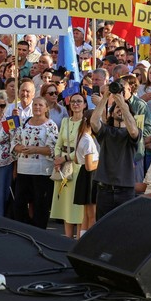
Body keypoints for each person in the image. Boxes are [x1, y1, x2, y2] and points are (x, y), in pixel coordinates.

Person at [90, 85, 140, 220]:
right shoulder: (106, 131)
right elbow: (94, 122)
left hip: (125, 190)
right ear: (111, 113)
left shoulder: (133, 133)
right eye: (116, 107)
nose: (120, 109)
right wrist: (105, 96)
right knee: (102, 229)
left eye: (123, 108)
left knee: (124, 228)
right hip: (104, 189)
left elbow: (134, 131)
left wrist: (122, 103)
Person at [14, 97, 58, 229]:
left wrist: (35, 149)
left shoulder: (50, 125)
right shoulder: (24, 123)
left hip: (42, 171)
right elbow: (14, 141)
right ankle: (24, 228)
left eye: (40, 105)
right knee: (19, 204)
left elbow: (53, 149)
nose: (37, 107)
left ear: (46, 108)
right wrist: (18, 148)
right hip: (23, 170)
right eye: (35, 105)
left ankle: (39, 231)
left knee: (41, 204)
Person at [51, 93, 88, 238]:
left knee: (78, 207)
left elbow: (85, 148)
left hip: (78, 166)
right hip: (63, 168)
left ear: (85, 104)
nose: (76, 104)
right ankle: (66, 239)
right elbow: (58, 143)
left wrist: (65, 158)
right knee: (66, 205)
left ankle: (78, 239)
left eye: (79, 101)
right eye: (73, 101)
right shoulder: (65, 121)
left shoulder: (86, 122)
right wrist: (57, 158)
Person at [72, 111, 99, 236]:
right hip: (90, 176)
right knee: (92, 215)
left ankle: (81, 240)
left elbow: (77, 160)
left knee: (86, 215)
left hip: (84, 176)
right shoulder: (88, 140)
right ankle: (90, 243)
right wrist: (102, 161)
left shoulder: (81, 136)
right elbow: (89, 166)